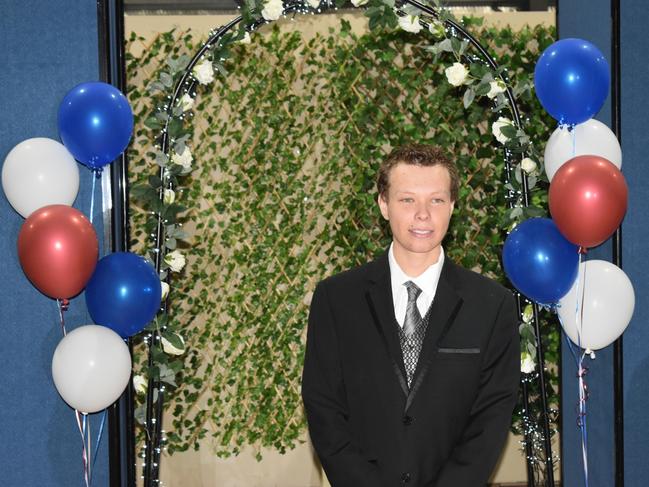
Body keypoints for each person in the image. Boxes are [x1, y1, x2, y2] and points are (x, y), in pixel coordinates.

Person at [301, 144, 520, 487]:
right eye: (407, 200)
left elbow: (491, 418)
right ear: (384, 205)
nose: (422, 214)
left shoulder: (493, 305)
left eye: (435, 200)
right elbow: (322, 405)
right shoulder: (336, 299)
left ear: (452, 206)